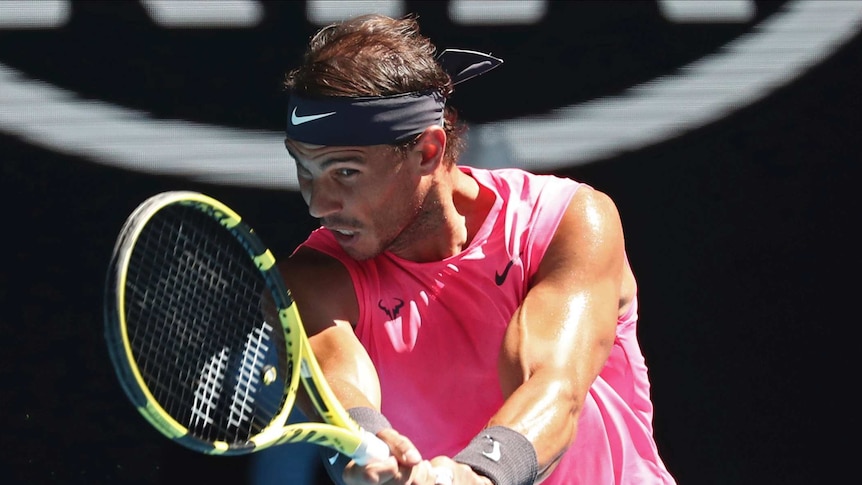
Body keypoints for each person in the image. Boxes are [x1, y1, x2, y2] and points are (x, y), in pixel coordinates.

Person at [280, 13, 675, 485]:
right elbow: (339, 386)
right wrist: (372, 450)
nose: (317, 203)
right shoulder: (313, 276)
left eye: (345, 172)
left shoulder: (567, 221)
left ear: (426, 151)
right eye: (304, 168)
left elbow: (552, 383)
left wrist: (476, 475)